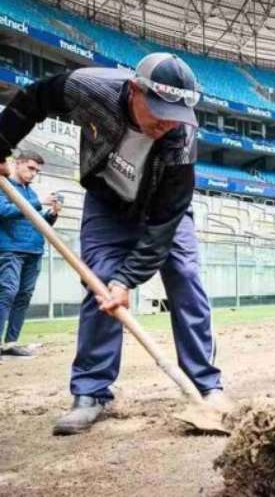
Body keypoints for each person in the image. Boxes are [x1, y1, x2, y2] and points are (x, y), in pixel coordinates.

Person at [0, 52, 232, 435]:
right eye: (157, 109)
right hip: (107, 204)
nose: (164, 122)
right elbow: (35, 99)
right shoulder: (90, 88)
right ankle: (91, 393)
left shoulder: (181, 137)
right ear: (135, 90)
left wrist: (129, 280)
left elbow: (163, 225)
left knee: (185, 277)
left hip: (162, 211)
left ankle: (206, 387)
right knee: (99, 284)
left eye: (173, 114)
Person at [0, 151, 61, 359]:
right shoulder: (3, 185)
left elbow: (38, 222)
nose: (34, 173)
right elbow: (4, 211)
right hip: (10, 250)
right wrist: (38, 203)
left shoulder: (32, 194)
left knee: (23, 297)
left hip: (34, 250)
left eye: (37, 170)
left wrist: (51, 214)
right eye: (31, 168)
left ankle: (10, 344)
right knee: (7, 293)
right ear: (17, 164)